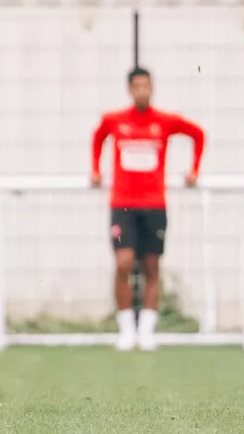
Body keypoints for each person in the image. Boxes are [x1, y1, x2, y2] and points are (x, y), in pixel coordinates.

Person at [91, 66, 205, 352]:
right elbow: (98, 138)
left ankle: (147, 330)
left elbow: (198, 134)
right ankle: (126, 328)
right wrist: (95, 170)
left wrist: (194, 170)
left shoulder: (164, 122)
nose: (142, 91)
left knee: (152, 265)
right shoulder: (115, 120)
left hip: (154, 204)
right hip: (123, 205)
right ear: (130, 89)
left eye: (146, 86)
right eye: (137, 86)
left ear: (152, 88)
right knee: (123, 263)